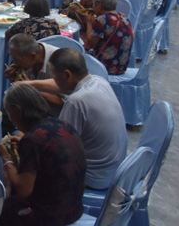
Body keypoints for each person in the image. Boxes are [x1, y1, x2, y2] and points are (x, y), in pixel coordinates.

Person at [24, 49, 128, 190]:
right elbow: (59, 85)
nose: (53, 79)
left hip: (94, 177)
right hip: (114, 170)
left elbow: (58, 147)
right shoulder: (99, 81)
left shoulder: (76, 102)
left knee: (29, 166)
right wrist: (30, 85)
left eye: (54, 74)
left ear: (67, 75)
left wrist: (27, 139)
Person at [0, 84, 86, 226]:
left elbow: (23, 189)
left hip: (52, 216)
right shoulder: (63, 124)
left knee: (6, 206)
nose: (9, 117)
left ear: (18, 111)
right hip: (74, 207)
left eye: (9, 112)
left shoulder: (32, 139)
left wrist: (6, 159)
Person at [84, 0, 134, 75]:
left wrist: (89, 22)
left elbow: (91, 42)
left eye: (93, 4)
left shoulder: (103, 19)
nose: (92, 7)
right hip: (122, 66)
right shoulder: (123, 16)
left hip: (107, 68)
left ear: (99, 5)